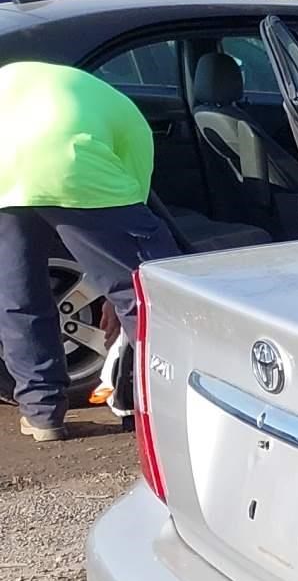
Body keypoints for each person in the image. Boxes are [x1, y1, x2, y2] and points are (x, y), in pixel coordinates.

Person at [0, 60, 177, 441]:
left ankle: (42, 414)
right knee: (155, 291)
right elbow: (133, 252)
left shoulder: (21, 80)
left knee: (18, 294)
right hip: (67, 160)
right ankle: (173, 410)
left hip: (3, 166)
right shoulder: (133, 126)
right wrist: (118, 294)